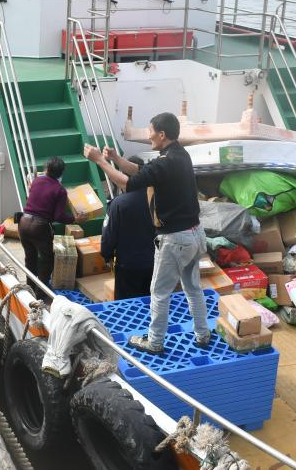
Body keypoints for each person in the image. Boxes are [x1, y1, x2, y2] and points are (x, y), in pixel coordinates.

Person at [84, 112, 210, 353]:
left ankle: (154, 342)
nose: (148, 135)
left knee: (159, 293)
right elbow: (141, 171)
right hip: (195, 234)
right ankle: (202, 334)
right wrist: (116, 159)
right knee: (193, 288)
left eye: (150, 131)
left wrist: (100, 161)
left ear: (162, 134)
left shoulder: (165, 163)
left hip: (175, 239)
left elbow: (127, 183)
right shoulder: (179, 155)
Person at [101, 156, 156, 300]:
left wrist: (107, 255)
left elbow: (109, 234)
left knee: (128, 305)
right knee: (153, 302)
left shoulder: (118, 204)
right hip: (156, 263)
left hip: (128, 265)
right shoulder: (158, 199)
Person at [18, 157, 76, 290]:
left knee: (30, 258)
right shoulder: (60, 190)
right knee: (47, 260)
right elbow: (59, 216)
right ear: (61, 173)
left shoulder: (36, 181)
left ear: (46, 169)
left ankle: (30, 287)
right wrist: (75, 219)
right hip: (39, 227)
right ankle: (41, 291)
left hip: (23, 222)